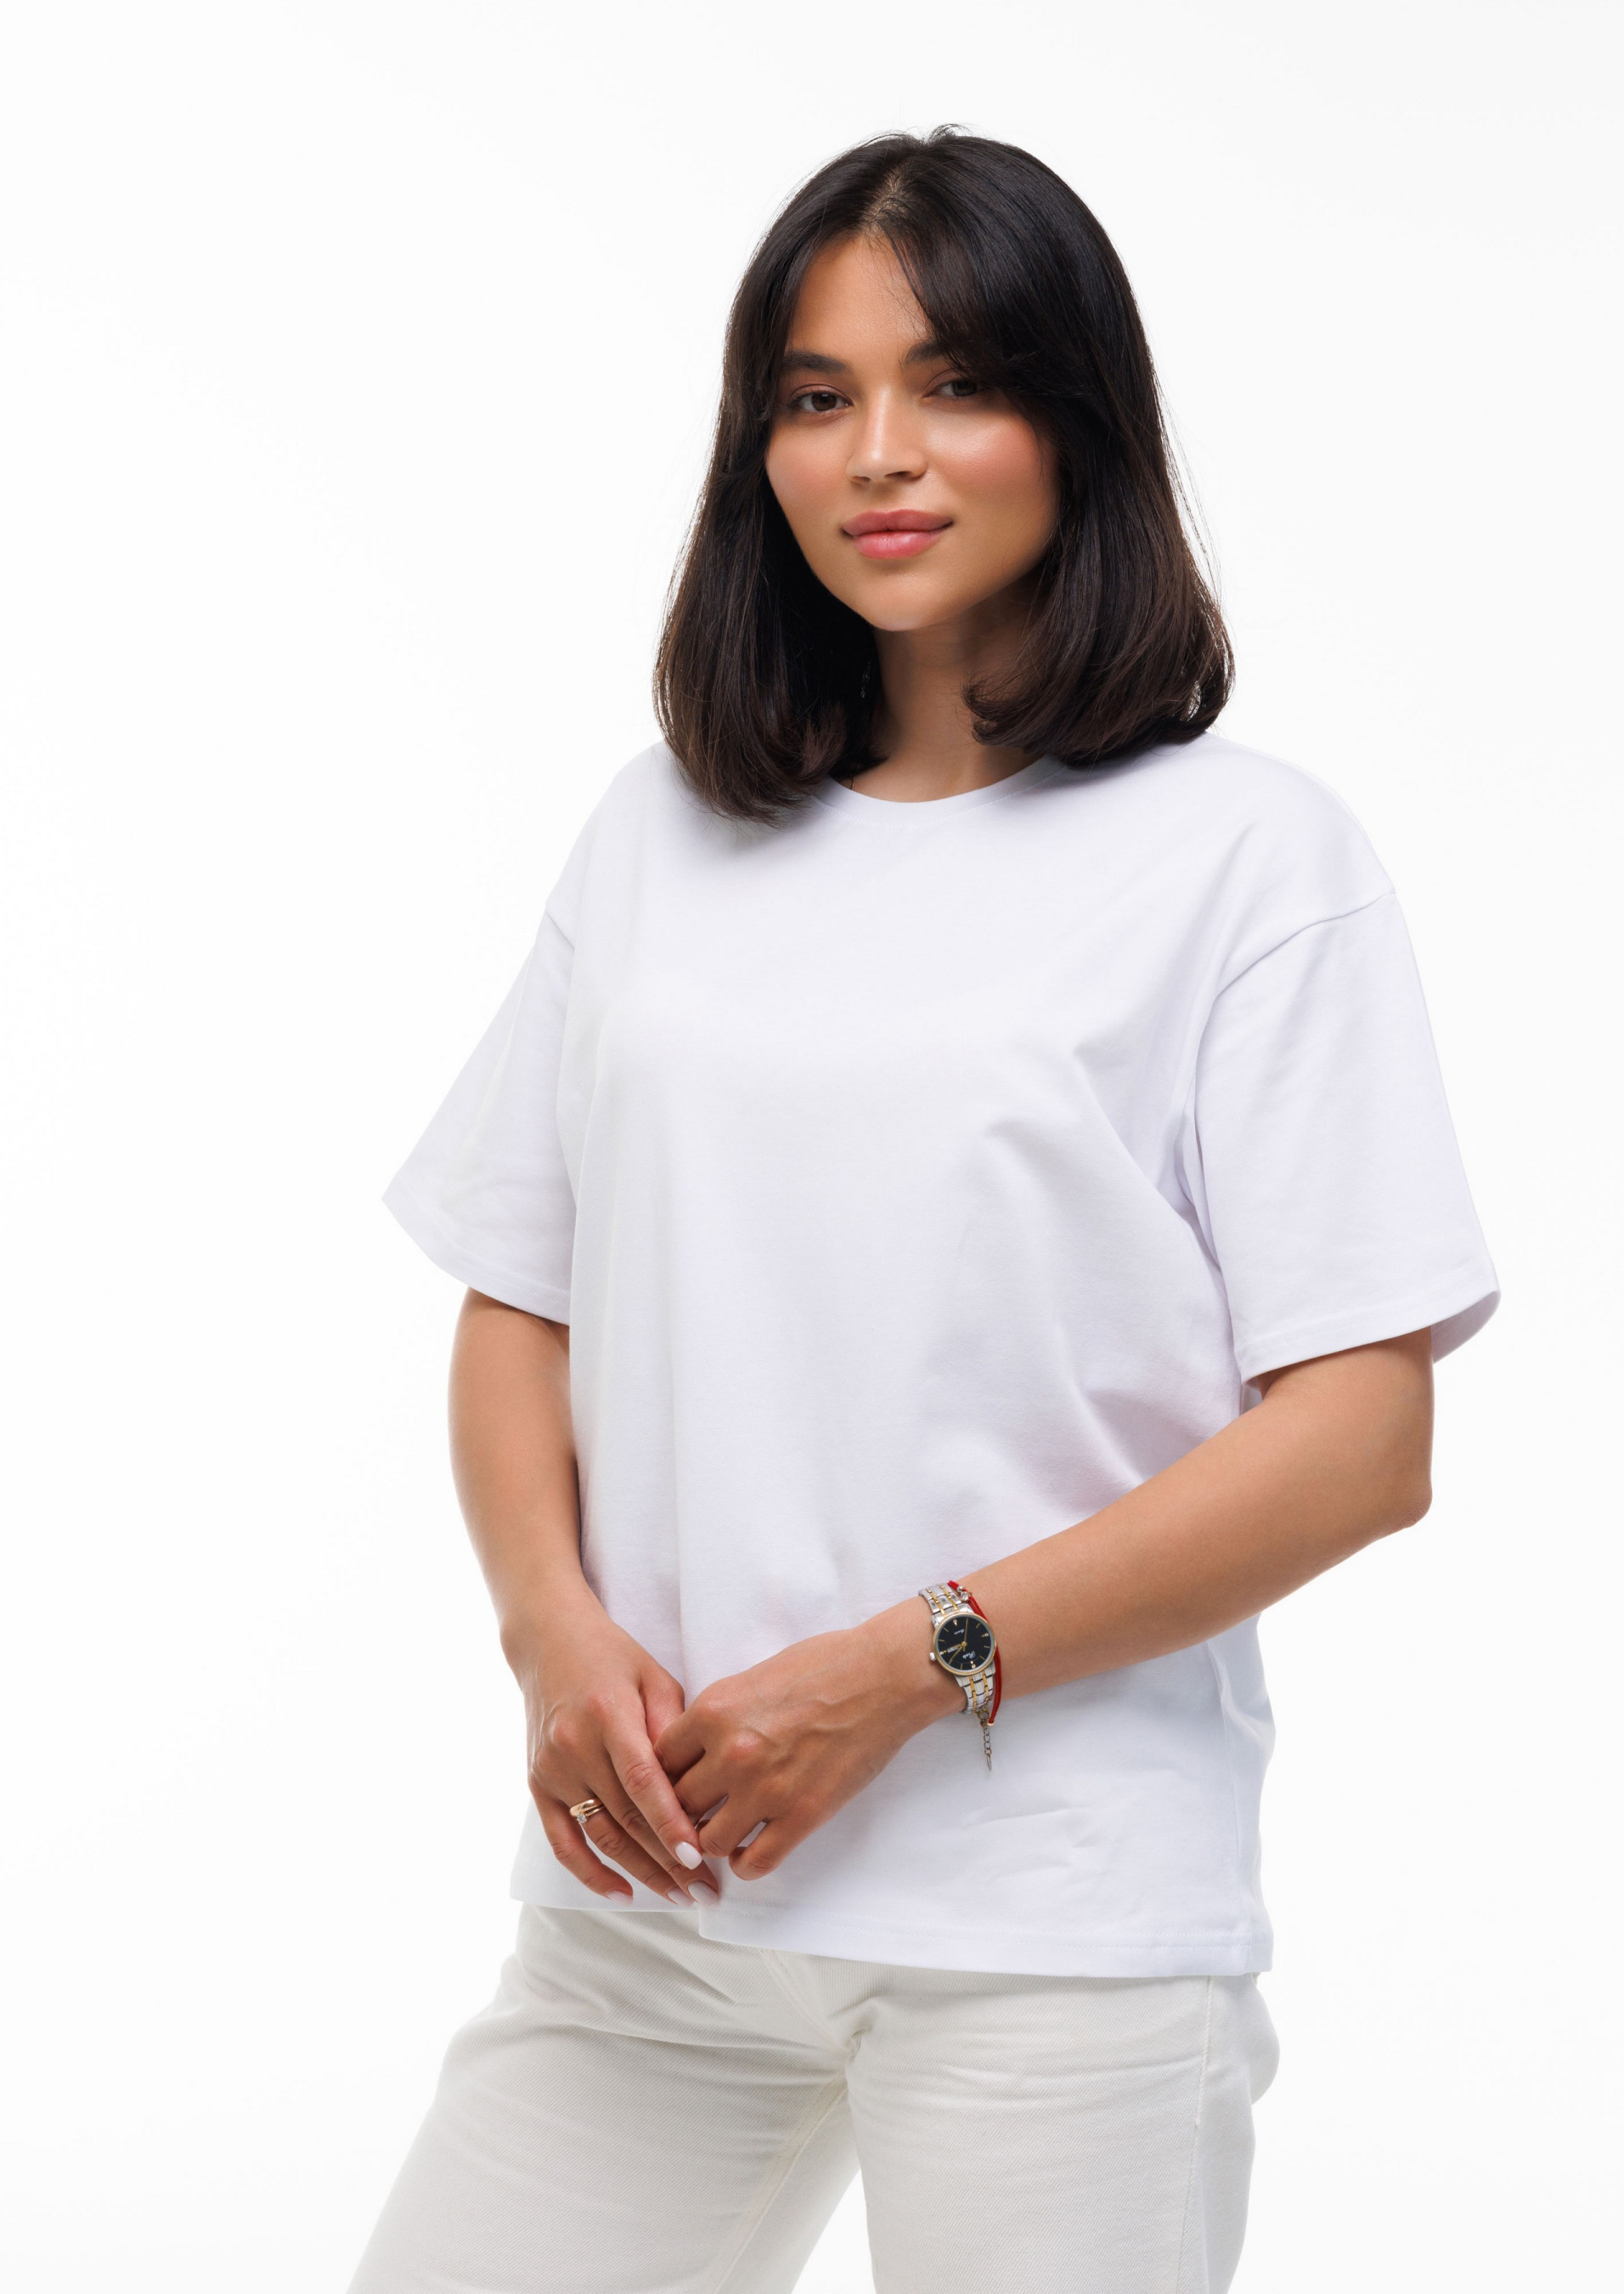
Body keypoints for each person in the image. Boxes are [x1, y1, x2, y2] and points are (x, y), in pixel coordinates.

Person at [350, 129, 1497, 2294]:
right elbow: (523, 1297)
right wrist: (548, 1636)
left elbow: (1359, 1441)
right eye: (813, 395)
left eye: (950, 382)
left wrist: (904, 1671)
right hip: (649, 1911)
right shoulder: (659, 839)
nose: (875, 451)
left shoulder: (1246, 862)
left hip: (1047, 1928)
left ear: (1076, 421)